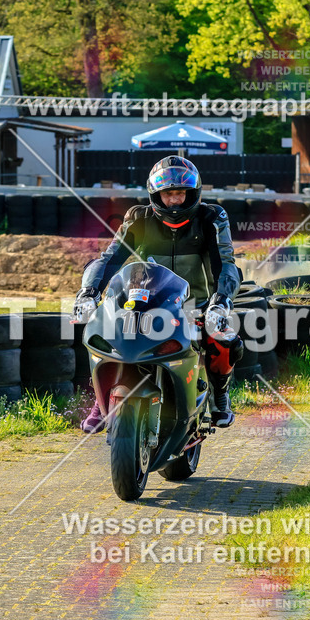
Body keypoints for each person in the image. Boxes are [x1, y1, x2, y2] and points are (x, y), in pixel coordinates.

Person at [74, 156, 242, 434]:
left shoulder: (211, 218)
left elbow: (225, 264)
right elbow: (109, 259)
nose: (174, 200)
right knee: (99, 330)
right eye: (168, 193)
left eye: (180, 193)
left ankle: (219, 395)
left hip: (195, 304)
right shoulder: (138, 218)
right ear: (156, 195)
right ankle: (101, 401)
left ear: (193, 193)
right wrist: (88, 292)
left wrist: (221, 301)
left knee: (225, 338)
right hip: (144, 301)